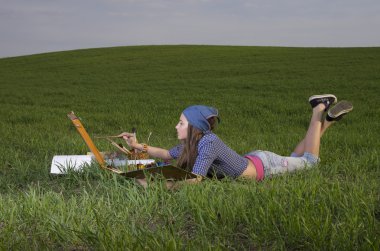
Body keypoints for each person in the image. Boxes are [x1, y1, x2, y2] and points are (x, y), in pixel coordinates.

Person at [119, 94, 353, 186]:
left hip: (266, 168)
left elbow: (195, 180)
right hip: (258, 160)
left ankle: (319, 108)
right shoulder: (193, 142)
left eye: (181, 123)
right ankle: (328, 120)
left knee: (309, 161)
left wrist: (159, 185)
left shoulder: (208, 143)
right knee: (296, 158)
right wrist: (138, 146)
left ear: (195, 128)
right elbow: (166, 155)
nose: (176, 125)